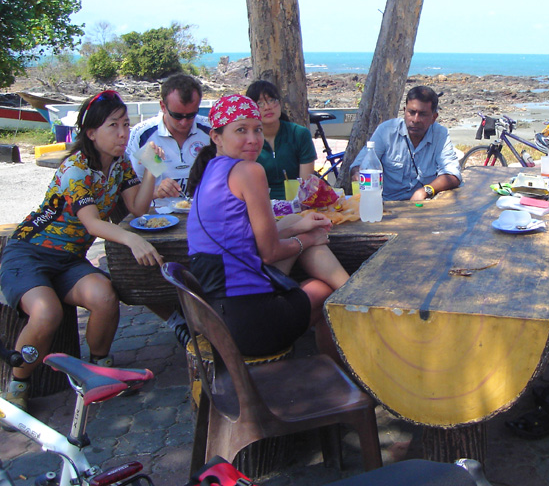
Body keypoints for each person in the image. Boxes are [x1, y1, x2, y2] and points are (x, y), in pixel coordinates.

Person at [0, 90, 163, 412]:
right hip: (28, 253)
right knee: (47, 312)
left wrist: (152, 170)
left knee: (104, 296)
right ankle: (17, 384)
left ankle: (98, 369)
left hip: (69, 260)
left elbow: (137, 208)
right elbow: (91, 223)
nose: (123, 133)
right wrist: (133, 240)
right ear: (91, 132)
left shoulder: (120, 165)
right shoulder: (75, 169)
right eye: (113, 125)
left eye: (126, 124)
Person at [186, 94, 348, 359]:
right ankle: (349, 322)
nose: (253, 139)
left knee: (296, 221)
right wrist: (309, 240)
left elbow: (247, 241)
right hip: (247, 324)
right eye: (241, 130)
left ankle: (350, 293)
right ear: (216, 136)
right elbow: (269, 253)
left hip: (216, 317)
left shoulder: (210, 170)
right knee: (324, 291)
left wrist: (300, 229)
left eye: (257, 129)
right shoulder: (249, 171)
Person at [349, 86, 462, 201]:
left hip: (423, 207)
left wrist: (425, 190)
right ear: (404, 111)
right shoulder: (386, 131)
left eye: (422, 114)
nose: (415, 119)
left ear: (434, 117)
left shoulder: (440, 134)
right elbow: (358, 166)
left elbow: (453, 174)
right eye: (411, 112)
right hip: (387, 206)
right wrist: (358, 176)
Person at [127, 74, 211, 199]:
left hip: (202, 211)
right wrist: (156, 191)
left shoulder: (211, 132)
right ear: (163, 107)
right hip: (158, 214)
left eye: (191, 115)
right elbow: (131, 190)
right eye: (177, 116)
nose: (184, 122)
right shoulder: (143, 135)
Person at [245, 80, 316, 200]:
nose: (267, 107)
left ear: (280, 103)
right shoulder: (247, 141)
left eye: (272, 100)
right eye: (260, 103)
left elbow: (306, 186)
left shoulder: (299, 134)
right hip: (260, 205)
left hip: (297, 205)